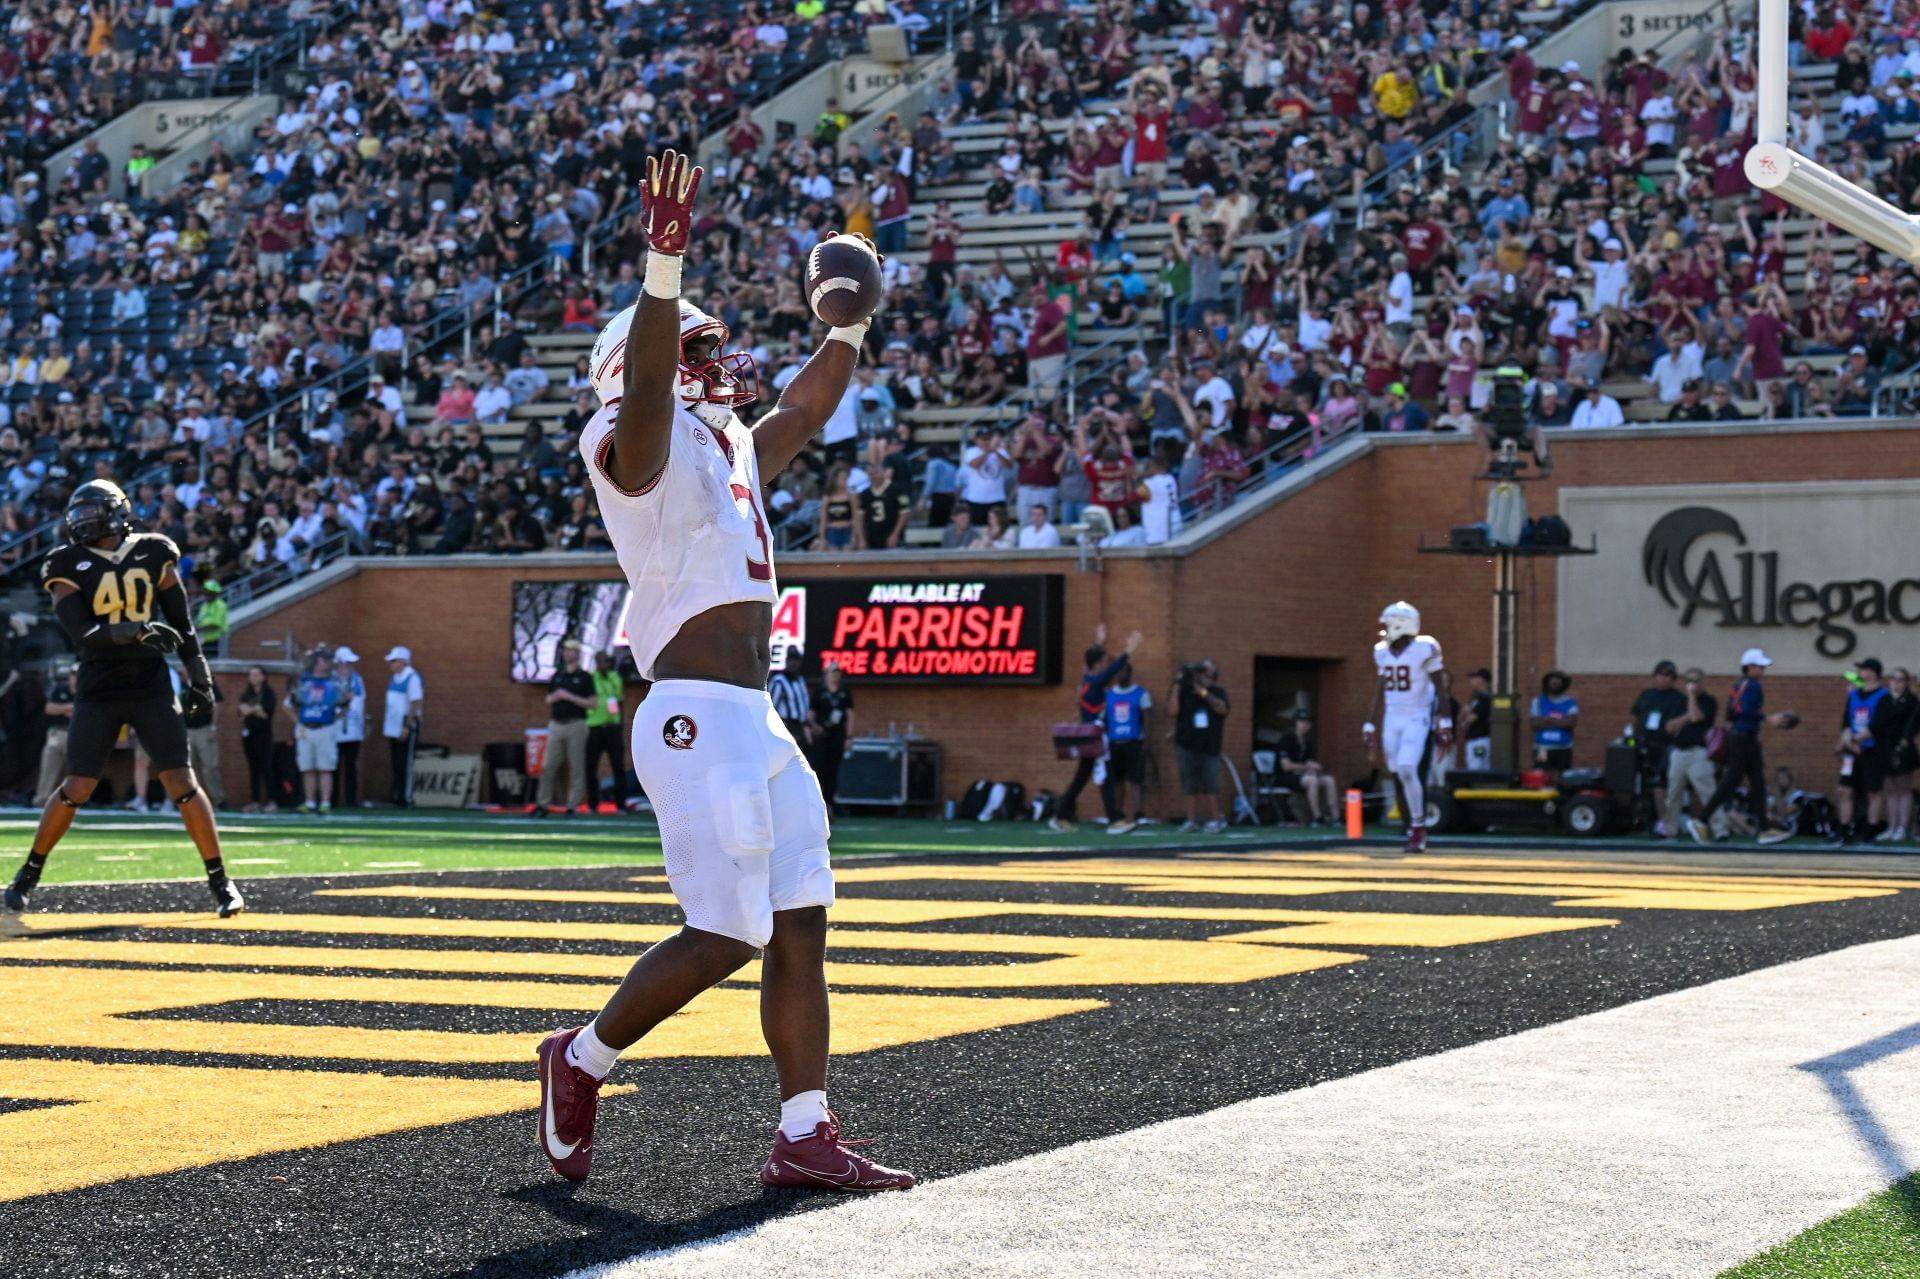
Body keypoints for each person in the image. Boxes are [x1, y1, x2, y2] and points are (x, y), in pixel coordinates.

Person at [538, 150, 913, 1191]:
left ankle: (805, 1131)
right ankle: (580, 1056)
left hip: (757, 713)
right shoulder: (626, 433)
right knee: (730, 930)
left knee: (802, 915)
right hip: (692, 713)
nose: (718, 360)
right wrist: (663, 271)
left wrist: (847, 326)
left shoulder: (726, 440)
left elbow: (799, 411)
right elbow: (654, 379)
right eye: (700, 345)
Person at [5, 480, 244, 917]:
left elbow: (184, 626)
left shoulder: (155, 551)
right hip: (99, 686)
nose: (82, 522)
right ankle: (28, 876)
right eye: (78, 514)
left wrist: (201, 680)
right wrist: (133, 630)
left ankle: (221, 883)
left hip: (150, 683)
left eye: (91, 512)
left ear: (116, 511)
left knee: (182, 782)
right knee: (78, 783)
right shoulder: (66, 561)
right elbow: (84, 634)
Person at [1363, 600, 1451, 853]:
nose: (1383, 630)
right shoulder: (1381, 651)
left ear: (1402, 625)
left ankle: (1417, 826)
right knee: (1395, 770)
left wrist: (1446, 723)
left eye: (1388, 625)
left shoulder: (1425, 647)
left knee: (1406, 768)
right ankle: (1410, 822)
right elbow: (1381, 688)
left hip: (1417, 714)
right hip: (1392, 716)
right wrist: (1369, 723)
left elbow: (1441, 688)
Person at [1687, 648, 1796, 846]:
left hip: (1743, 738)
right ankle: (1701, 820)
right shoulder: (1752, 686)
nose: (1763, 670)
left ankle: (1763, 829)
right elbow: (1745, 711)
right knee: (1734, 783)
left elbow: (1731, 714)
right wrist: (1767, 718)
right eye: (1759, 666)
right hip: (1745, 739)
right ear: (1750, 667)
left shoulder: (1739, 686)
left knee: (1756, 785)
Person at [1048, 622, 1144, 832]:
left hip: (1089, 736)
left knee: (1082, 778)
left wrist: (1099, 641)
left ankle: (1060, 814)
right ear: (1097, 664)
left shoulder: (1085, 678)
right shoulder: (1094, 682)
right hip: (1094, 736)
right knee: (1106, 776)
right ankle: (1113, 820)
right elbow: (1111, 670)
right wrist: (1129, 649)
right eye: (1102, 661)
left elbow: (1091, 662)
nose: (1105, 664)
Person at [1831, 657, 1896, 847]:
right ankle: (1844, 832)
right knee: (1844, 791)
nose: (1859, 672)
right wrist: (1847, 742)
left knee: (1874, 792)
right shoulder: (1853, 694)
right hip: (1853, 752)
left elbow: (1878, 725)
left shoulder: (1884, 695)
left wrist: (1857, 740)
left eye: (1863, 669)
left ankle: (1869, 833)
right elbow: (1846, 723)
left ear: (1873, 672)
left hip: (1874, 751)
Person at [1664, 667, 1726, 842]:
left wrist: (1691, 697)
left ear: (1702, 682)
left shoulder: (1708, 700)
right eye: (1689, 681)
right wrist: (1686, 717)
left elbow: (1697, 717)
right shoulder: (1677, 700)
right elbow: (1669, 726)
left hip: (1699, 753)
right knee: (1673, 794)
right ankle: (1670, 831)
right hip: (1678, 753)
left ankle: (1720, 830)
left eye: (1696, 681)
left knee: (1708, 792)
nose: (1692, 685)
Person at [535, 638, 595, 816]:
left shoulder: (585, 677)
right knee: (548, 766)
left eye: (569, 650)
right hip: (556, 725)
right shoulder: (557, 676)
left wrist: (569, 696)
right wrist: (555, 697)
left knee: (576, 767)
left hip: (576, 725)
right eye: (564, 650)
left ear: (577, 654)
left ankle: (572, 806)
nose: (566, 653)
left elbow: (593, 703)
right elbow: (548, 699)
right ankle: (542, 804)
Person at [1173, 658, 1231, 833]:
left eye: (1206, 670)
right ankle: (1190, 821)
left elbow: (1223, 710)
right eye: (1200, 670)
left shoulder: (1218, 692)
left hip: (1210, 746)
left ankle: (1215, 820)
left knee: (1211, 784)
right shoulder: (1184, 691)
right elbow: (1172, 711)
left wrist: (1204, 693)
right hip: (1187, 744)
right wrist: (1177, 683)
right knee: (1189, 784)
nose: (1202, 673)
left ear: (1213, 674)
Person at [1631, 660, 1686, 834]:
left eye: (1667, 675)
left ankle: (1667, 820)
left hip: (1666, 746)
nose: (1663, 679)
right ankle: (1642, 818)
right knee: (1641, 782)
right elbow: (1637, 716)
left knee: (1662, 782)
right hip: (1645, 744)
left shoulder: (1679, 698)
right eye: (1660, 675)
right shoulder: (1646, 695)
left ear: (1673, 678)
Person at [289, 647, 344, 815]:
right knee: (307, 767)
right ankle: (310, 802)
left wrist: (334, 720)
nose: (327, 663)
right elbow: (289, 704)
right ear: (318, 661)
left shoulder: (335, 682)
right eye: (324, 660)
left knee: (325, 767)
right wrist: (299, 723)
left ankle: (325, 803)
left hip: (325, 728)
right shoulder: (304, 681)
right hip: (307, 728)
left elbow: (346, 703)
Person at [1099, 658, 1150, 834]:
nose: (1122, 675)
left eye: (1125, 671)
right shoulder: (1109, 694)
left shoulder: (1140, 693)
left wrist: (1146, 740)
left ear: (1130, 673)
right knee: (1116, 781)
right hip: (1114, 743)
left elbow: (1147, 719)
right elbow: (1103, 719)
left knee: (1135, 780)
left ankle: (1138, 814)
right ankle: (1117, 813)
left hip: (1133, 742)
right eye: (1119, 672)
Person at [583, 649, 629, 813]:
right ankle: (593, 805)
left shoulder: (615, 678)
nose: (608, 664)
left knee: (618, 766)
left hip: (612, 728)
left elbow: (619, 700)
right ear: (598, 662)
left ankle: (621, 805)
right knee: (590, 767)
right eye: (605, 661)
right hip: (594, 727)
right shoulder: (590, 679)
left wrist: (619, 726)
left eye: (609, 661)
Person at [1275, 708, 1338, 826]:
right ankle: (1317, 817)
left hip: (1302, 776)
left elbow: (1309, 762)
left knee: (1329, 780)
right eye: (1301, 721)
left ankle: (1335, 817)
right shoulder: (1287, 739)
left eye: (1307, 722)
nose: (1305, 725)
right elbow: (1286, 766)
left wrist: (1315, 767)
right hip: (1285, 777)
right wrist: (1306, 766)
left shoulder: (1307, 742)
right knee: (1312, 780)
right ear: (1295, 723)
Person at [384, 646, 425, 807]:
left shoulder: (412, 677)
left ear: (402, 662)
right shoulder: (394, 678)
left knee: (405, 763)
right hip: (393, 725)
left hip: (405, 723)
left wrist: (407, 727)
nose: (390, 664)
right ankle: (397, 795)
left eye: (393, 661)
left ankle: (405, 797)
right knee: (396, 762)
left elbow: (415, 703)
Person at [1881, 667, 1917, 843]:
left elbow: (1914, 724)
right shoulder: (1884, 700)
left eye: (1901, 679)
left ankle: (1903, 828)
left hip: (1903, 748)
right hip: (1886, 749)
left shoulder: (1911, 701)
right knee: (1890, 789)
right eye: (1894, 679)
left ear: (1906, 682)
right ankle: (1891, 827)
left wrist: (1905, 740)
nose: (1897, 682)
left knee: (1903, 788)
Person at [812, 661, 854, 813]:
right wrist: (814, 727)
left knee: (833, 770)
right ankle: (819, 803)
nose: (835, 676)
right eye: (832, 672)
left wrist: (849, 737)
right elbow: (811, 714)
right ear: (826, 674)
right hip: (822, 737)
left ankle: (829, 804)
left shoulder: (844, 693)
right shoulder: (819, 692)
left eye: (837, 673)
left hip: (837, 737)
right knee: (819, 769)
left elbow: (850, 715)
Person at [33, 667, 75, 807]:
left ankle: (72, 801)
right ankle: (41, 800)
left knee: (75, 770)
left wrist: (66, 710)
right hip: (57, 733)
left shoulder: (86, 692)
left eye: (77, 675)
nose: (75, 678)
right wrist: (69, 707)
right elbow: (49, 708)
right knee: (48, 767)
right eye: (73, 675)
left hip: (77, 735)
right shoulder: (60, 689)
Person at [238, 665, 278, 813]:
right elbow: (241, 711)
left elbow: (265, 714)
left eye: (256, 675)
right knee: (253, 768)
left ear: (263, 677)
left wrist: (251, 709)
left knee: (266, 767)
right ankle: (254, 800)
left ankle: (272, 800)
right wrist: (255, 709)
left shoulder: (268, 693)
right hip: (249, 735)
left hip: (264, 736)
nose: (253, 678)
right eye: (251, 675)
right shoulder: (246, 693)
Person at [333, 647, 367, 809]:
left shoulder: (357, 679)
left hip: (354, 731)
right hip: (335, 730)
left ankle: (351, 800)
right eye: (346, 663)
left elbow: (361, 702)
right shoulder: (331, 680)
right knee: (334, 766)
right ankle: (332, 800)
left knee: (351, 767)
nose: (349, 667)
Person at [1530, 670, 1578, 770]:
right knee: (1541, 775)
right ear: (1547, 683)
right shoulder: (1537, 701)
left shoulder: (1570, 702)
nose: (1555, 683)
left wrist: (1547, 720)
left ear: (1563, 684)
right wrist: (1561, 721)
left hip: (1564, 749)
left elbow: (1571, 723)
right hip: (1542, 749)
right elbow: (1535, 724)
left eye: (1558, 681)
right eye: (1552, 680)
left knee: (1562, 778)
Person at [1461, 667, 1493, 769]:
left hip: (1480, 741)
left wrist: (1466, 712)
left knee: (1477, 769)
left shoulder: (1485, 698)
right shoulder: (1475, 697)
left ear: (1482, 680)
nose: (1471, 681)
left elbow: (1471, 718)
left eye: (1474, 678)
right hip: (1473, 740)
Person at [193, 579, 228, 648]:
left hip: (217, 642)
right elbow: (200, 620)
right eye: (205, 592)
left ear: (216, 593)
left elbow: (215, 625)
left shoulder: (221, 605)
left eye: (209, 592)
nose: (206, 594)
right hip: (205, 640)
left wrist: (197, 629)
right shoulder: (204, 605)